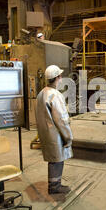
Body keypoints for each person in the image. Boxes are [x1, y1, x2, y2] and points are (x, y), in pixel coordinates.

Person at [36, 65, 72, 194]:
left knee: (53, 160)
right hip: (56, 135)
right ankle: (55, 187)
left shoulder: (41, 93)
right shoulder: (55, 95)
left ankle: (53, 184)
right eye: (60, 76)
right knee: (57, 160)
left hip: (45, 133)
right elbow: (61, 120)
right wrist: (68, 137)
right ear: (58, 77)